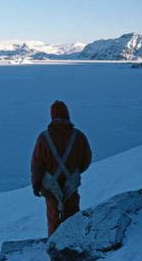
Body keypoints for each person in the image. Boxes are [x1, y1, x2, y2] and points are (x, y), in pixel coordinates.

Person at [31, 100, 92, 237]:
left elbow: (37, 165)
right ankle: (74, 249)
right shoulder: (78, 136)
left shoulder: (44, 137)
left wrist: (36, 186)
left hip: (51, 188)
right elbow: (86, 160)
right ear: (67, 115)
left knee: (54, 220)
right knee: (73, 217)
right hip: (71, 186)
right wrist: (73, 173)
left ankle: (55, 253)